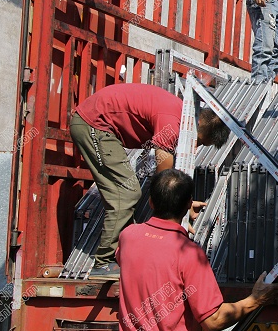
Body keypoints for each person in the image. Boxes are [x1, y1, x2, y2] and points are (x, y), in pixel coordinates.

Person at [70, 83, 230, 281]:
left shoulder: (180, 114)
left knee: (127, 194)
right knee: (126, 193)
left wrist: (183, 206)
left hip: (102, 126)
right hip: (93, 124)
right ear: (198, 126)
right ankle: (103, 263)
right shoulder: (173, 124)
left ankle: (123, 254)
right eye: (198, 142)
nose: (195, 149)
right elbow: (165, 185)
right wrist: (178, 213)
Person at [117, 169, 278, 331]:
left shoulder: (128, 236)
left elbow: (148, 257)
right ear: (189, 204)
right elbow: (213, 321)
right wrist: (256, 299)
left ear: (150, 202)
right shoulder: (189, 254)